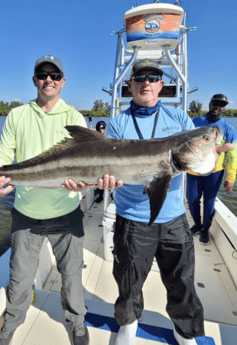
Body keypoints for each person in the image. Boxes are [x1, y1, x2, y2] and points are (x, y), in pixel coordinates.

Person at [62, 60, 233, 345]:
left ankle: (185, 331)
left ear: (161, 86)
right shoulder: (118, 124)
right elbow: (105, 166)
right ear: (129, 85)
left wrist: (210, 155)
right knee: (129, 280)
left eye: (153, 78)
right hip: (131, 218)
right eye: (139, 78)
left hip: (174, 218)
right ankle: (128, 324)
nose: (146, 83)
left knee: (182, 280)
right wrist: (102, 180)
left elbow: (198, 163)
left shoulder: (179, 120)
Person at [0, 55, 89, 345]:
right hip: (26, 212)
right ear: (34, 80)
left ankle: (76, 321)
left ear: (63, 81)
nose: (49, 80)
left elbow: (86, 163)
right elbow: (4, 154)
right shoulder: (17, 115)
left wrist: (82, 183)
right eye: (43, 74)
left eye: (55, 75)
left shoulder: (74, 118)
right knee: (19, 276)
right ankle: (12, 322)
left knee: (71, 275)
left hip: (67, 212)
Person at [186, 94, 237, 245]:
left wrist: (231, 177)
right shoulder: (195, 122)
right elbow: (185, 144)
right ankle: (197, 224)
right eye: (216, 103)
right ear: (209, 104)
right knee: (192, 199)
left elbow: (232, 155)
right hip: (193, 170)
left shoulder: (228, 127)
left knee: (209, 202)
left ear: (224, 108)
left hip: (215, 173)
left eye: (222, 105)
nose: (218, 107)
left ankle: (205, 229)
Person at [94, 121, 106, 203]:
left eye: (102, 128)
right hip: (97, 162)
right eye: (99, 128)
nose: (100, 130)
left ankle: (108, 195)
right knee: (99, 181)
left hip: (105, 162)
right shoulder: (94, 139)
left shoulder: (107, 139)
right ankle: (100, 196)